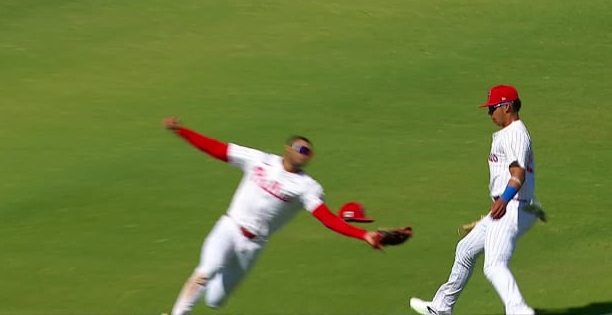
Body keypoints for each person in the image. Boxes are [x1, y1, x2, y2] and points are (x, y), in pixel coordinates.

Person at [163, 117, 385, 315]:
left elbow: (327, 219)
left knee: (215, 301)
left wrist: (363, 234)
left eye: (308, 152)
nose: (303, 154)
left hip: (252, 246)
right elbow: (217, 149)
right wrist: (182, 131)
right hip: (229, 228)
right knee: (206, 270)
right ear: (287, 148)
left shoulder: (307, 187)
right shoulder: (260, 160)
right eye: (300, 148)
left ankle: (212, 278)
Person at [409, 85, 543, 315]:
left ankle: (519, 311)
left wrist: (503, 201)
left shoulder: (515, 134)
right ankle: (441, 307)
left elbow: (518, 174)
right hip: (507, 206)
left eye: (493, 108)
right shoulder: (508, 133)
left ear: (507, 107)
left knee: (494, 265)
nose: (489, 113)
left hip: (511, 207)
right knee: (465, 250)